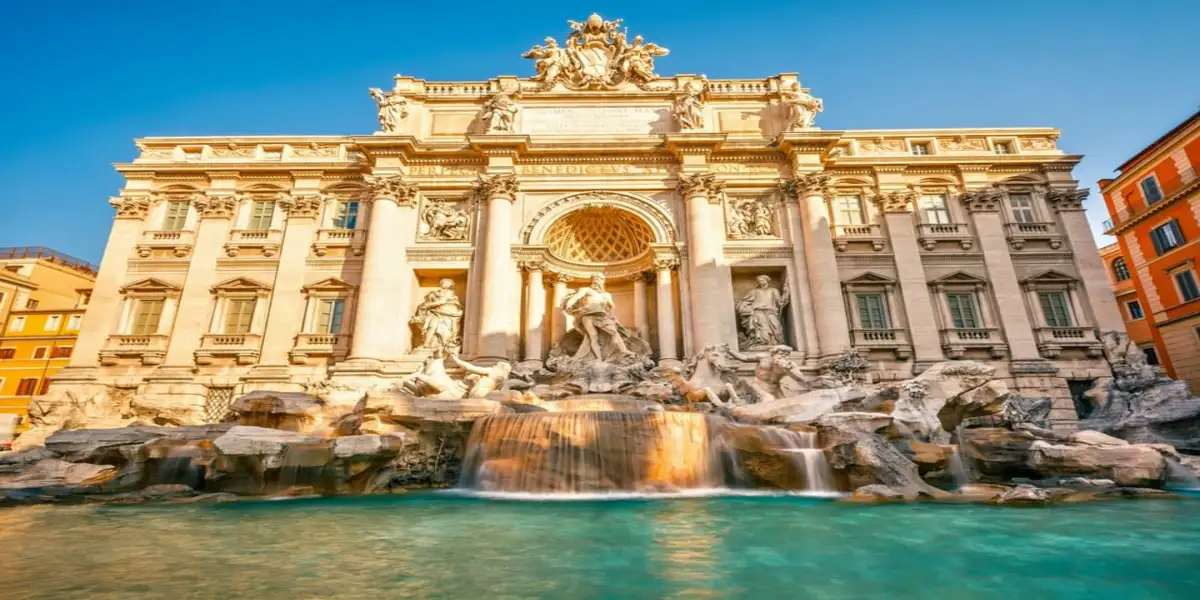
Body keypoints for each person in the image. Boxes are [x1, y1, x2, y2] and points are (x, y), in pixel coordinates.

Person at [563, 274, 633, 361]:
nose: (596, 283)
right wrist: (569, 304)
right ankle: (598, 358)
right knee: (593, 336)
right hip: (586, 315)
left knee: (613, 332)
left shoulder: (606, 295)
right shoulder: (586, 290)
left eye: (598, 281)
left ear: (602, 282)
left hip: (601, 315)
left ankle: (624, 350)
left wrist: (611, 315)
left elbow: (611, 306)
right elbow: (576, 297)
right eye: (594, 281)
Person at [721, 343, 803, 403]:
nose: (783, 356)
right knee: (769, 400)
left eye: (786, 355)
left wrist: (789, 370)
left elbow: (800, 378)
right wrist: (729, 350)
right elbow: (744, 358)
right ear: (773, 353)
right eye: (781, 353)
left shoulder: (790, 365)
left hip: (775, 389)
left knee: (785, 405)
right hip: (758, 385)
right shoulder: (763, 357)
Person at [736, 275, 790, 348]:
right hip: (758, 311)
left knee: (776, 326)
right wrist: (749, 308)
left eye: (762, 280)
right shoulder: (754, 291)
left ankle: (775, 342)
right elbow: (743, 302)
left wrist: (786, 293)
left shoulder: (773, 290)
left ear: (767, 280)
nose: (761, 282)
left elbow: (780, 303)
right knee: (761, 326)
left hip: (771, 311)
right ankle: (762, 342)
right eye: (760, 281)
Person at [410, 279, 463, 351]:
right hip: (435, 312)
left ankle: (445, 344)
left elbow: (448, 303)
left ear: (450, 286)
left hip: (448, 315)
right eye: (444, 283)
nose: (445, 284)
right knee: (432, 326)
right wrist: (432, 304)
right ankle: (426, 343)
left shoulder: (451, 294)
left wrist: (429, 305)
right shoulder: (435, 293)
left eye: (448, 283)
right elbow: (429, 302)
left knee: (446, 330)